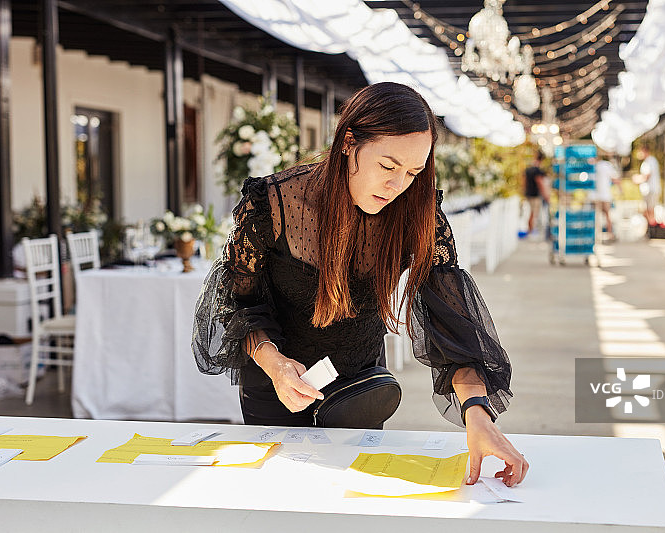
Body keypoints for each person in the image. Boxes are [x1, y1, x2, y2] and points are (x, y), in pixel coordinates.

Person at [193, 82, 528, 487]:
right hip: (275, 381)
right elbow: (237, 302)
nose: (398, 185)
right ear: (349, 142)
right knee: (279, 501)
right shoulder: (274, 204)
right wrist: (275, 364)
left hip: (360, 387)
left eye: (413, 172)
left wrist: (477, 412)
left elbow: (452, 324)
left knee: (355, 497)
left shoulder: (416, 211)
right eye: (388, 167)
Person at [590, 153, 621, 243]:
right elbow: (615, 178)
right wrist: (620, 189)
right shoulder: (606, 165)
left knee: (601, 216)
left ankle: (602, 235)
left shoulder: (599, 165)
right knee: (605, 215)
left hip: (598, 196)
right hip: (602, 195)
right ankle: (607, 234)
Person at [633, 144, 661, 231]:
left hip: (651, 190)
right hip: (648, 191)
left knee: (650, 210)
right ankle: (650, 228)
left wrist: (637, 179)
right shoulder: (648, 162)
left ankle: (653, 229)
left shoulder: (650, 161)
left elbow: (646, 176)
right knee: (646, 210)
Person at [524, 152, 549, 236]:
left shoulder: (528, 169)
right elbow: (540, 183)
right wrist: (545, 195)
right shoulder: (537, 170)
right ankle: (530, 231)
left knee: (531, 213)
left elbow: (524, 182)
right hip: (534, 195)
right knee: (534, 213)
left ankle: (530, 230)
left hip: (529, 194)